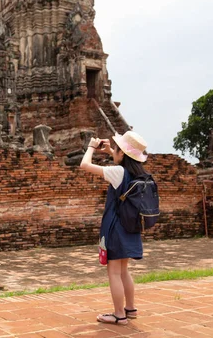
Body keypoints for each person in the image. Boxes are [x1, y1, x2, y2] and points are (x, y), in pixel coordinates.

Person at [80, 131, 150, 325]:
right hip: (131, 226)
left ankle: (119, 314)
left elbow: (84, 165)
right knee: (124, 270)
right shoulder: (139, 172)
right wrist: (113, 151)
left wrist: (91, 148)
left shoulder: (118, 172)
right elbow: (122, 165)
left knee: (114, 272)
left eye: (117, 149)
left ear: (122, 153)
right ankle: (130, 308)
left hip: (116, 227)